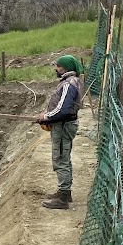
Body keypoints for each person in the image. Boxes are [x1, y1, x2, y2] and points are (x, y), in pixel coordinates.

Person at [39, 55, 84, 209]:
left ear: (64, 68)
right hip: (65, 124)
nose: (55, 69)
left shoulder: (68, 85)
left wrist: (45, 116)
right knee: (64, 156)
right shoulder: (72, 82)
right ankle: (64, 191)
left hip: (63, 125)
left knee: (60, 157)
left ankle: (63, 198)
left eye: (57, 66)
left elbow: (62, 109)